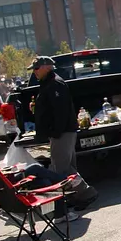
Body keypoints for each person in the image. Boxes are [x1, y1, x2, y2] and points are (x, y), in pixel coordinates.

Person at [0, 129, 80, 222]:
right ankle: (67, 181)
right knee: (35, 168)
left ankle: (60, 214)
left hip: (0, 189)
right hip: (6, 189)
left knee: (44, 182)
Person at [30, 56, 98, 211]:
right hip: (61, 132)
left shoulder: (55, 84)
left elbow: (60, 111)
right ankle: (75, 196)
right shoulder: (48, 83)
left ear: (47, 67)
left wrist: (56, 132)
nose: (34, 72)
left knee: (62, 169)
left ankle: (86, 193)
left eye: (36, 68)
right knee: (67, 167)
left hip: (62, 132)